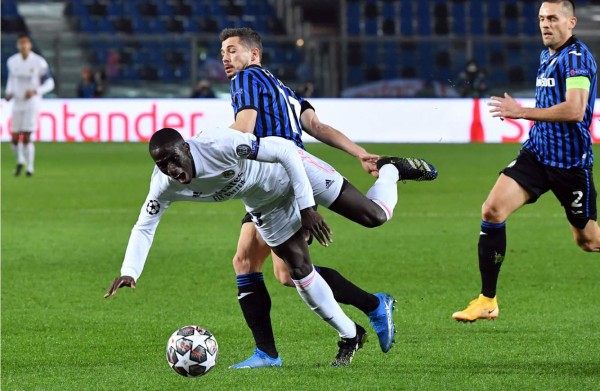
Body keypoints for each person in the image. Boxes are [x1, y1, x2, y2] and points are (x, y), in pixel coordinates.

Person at [220, 27, 438, 368]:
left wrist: (200, 146)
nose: (226, 57)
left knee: (283, 268)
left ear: (254, 55)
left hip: (281, 177)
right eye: (223, 52)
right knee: (264, 266)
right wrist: (360, 153)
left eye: (233, 50)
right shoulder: (283, 89)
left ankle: (351, 322)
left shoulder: (245, 80)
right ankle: (369, 308)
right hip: (287, 175)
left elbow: (245, 127)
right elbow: (317, 127)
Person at [104, 127, 368, 366]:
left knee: (374, 217)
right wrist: (130, 271)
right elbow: (144, 225)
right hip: (263, 202)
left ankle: (391, 171)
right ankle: (348, 334)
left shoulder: (219, 145)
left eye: (173, 159)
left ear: (186, 148)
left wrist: (306, 207)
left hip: (287, 173)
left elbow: (285, 151)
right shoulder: (164, 185)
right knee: (295, 272)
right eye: (162, 165)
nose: (170, 169)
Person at [452, 0, 598, 322]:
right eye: (541, 18)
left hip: (570, 165)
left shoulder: (576, 59)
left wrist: (522, 112)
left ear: (571, 22)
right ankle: (487, 300)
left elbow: (575, 109)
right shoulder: (547, 54)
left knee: (588, 241)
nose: (546, 24)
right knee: (492, 209)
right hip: (537, 154)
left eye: (553, 18)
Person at [4, 34, 55, 177]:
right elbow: (11, 80)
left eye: (25, 44)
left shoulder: (39, 62)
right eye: (21, 44)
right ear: (17, 46)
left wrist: (36, 91)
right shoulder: (12, 61)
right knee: (14, 136)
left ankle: (30, 167)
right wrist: (9, 93)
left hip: (32, 103)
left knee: (26, 136)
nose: (23, 46)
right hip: (17, 102)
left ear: (30, 45)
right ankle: (20, 160)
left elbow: (50, 83)